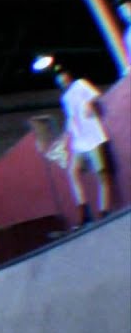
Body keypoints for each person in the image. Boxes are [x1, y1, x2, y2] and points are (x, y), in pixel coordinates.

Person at [53, 68, 114, 226]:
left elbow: (95, 94)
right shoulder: (65, 98)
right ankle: (84, 209)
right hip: (79, 141)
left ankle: (104, 209)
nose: (63, 81)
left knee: (102, 173)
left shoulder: (80, 84)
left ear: (68, 77)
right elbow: (70, 117)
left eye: (64, 77)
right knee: (73, 171)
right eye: (60, 80)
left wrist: (88, 103)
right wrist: (67, 135)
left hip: (93, 135)